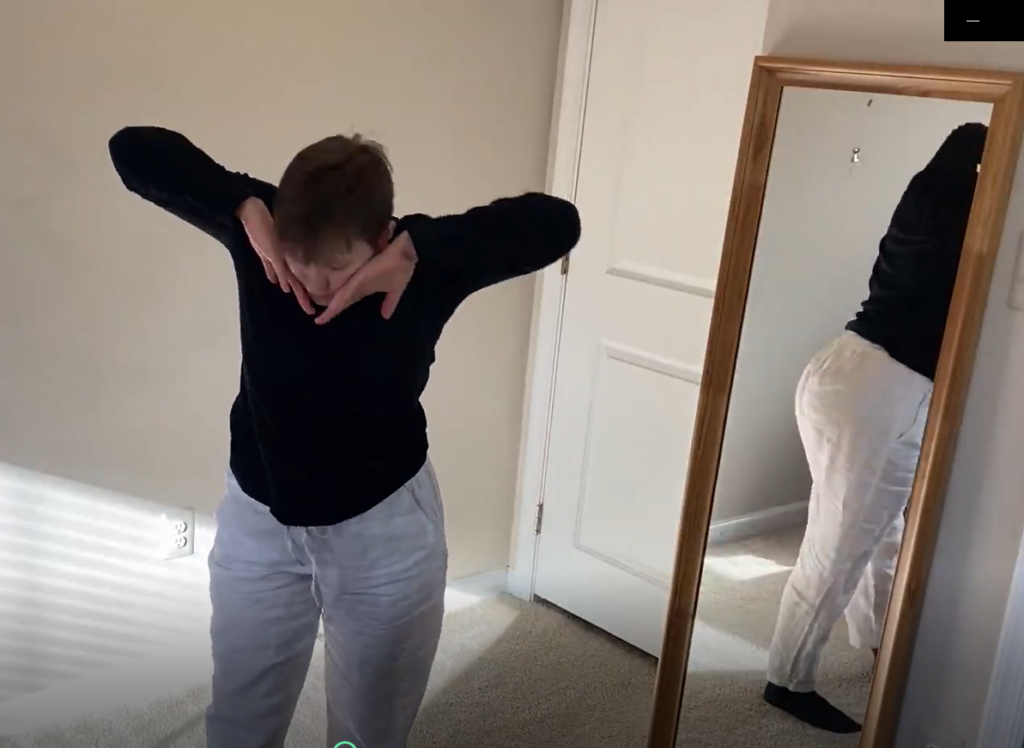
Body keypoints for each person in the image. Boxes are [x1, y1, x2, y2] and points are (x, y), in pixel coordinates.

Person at [108, 126, 581, 748]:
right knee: (240, 720)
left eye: (335, 267)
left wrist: (419, 249)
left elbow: (558, 222)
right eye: (298, 260)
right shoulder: (260, 233)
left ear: (381, 238)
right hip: (259, 523)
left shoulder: (426, 267)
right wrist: (240, 203)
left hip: (382, 532)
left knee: (365, 732)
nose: (314, 283)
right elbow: (132, 150)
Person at [762, 122, 988, 733]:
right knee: (836, 543)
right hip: (886, 389)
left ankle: (875, 638)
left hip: (845, 363)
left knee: (877, 528)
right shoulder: (981, 212)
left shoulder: (925, 193)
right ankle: (786, 679)